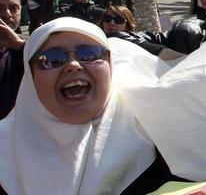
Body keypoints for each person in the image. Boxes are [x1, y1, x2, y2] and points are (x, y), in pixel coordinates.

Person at [0, 18, 178, 194]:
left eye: (89, 54)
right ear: (31, 77)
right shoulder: (5, 150)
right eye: (52, 58)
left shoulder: (161, 140)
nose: (73, 65)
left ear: (110, 65)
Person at [100, 5, 185, 60]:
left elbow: (158, 50)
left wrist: (189, 60)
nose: (111, 23)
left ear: (128, 25)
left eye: (118, 20)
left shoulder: (120, 36)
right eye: (107, 19)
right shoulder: (99, 38)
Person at [0, 0, 25, 119]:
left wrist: (20, 47)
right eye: (0, 8)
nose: (6, 14)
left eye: (13, 8)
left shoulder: (29, 47)